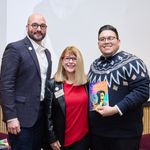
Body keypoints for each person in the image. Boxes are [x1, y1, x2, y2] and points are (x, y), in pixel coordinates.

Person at [88, 25, 150, 150]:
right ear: (98, 43)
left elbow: (143, 91)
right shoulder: (94, 65)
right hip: (98, 134)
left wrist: (116, 109)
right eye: (102, 39)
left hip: (125, 135)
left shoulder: (133, 62)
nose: (106, 42)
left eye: (110, 38)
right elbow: (95, 98)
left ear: (118, 41)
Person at [0, 13, 52, 150]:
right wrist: (10, 117)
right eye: (35, 25)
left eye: (42, 26)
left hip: (40, 118)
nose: (39, 29)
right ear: (27, 27)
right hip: (20, 120)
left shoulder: (47, 54)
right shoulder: (15, 49)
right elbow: (6, 85)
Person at [45, 46, 89, 150]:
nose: (70, 62)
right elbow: (48, 115)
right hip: (61, 141)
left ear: (79, 62)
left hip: (83, 139)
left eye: (74, 59)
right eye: (67, 58)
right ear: (62, 61)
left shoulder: (87, 83)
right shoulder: (52, 84)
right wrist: (52, 138)